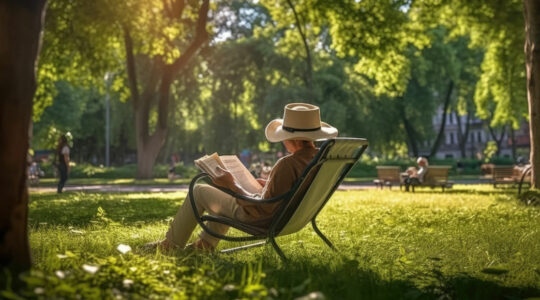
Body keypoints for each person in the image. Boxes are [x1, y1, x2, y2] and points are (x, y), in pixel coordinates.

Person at [144, 103, 338, 252]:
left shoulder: (288, 163)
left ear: (290, 138)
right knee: (222, 193)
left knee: (199, 190)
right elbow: (285, 193)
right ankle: (205, 245)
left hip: (263, 218)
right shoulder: (318, 158)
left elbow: (263, 207)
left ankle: (170, 245)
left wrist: (233, 184)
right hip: (287, 217)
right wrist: (268, 185)